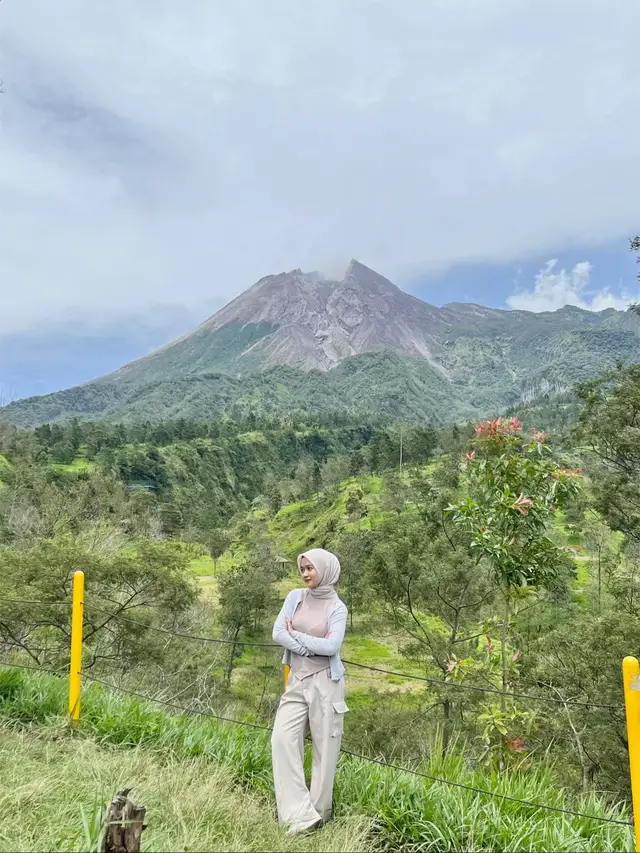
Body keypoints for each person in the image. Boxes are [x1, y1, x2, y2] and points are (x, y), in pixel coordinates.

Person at [271, 548, 349, 835]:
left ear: (326, 570)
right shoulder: (295, 597)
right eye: (302, 568)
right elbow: (278, 633)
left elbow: (332, 647)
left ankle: (319, 818)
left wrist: (298, 638)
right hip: (296, 680)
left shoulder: (337, 608)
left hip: (326, 683)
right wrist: (307, 645)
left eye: (310, 568)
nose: (304, 573)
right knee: (282, 739)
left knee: (324, 749)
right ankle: (298, 815)